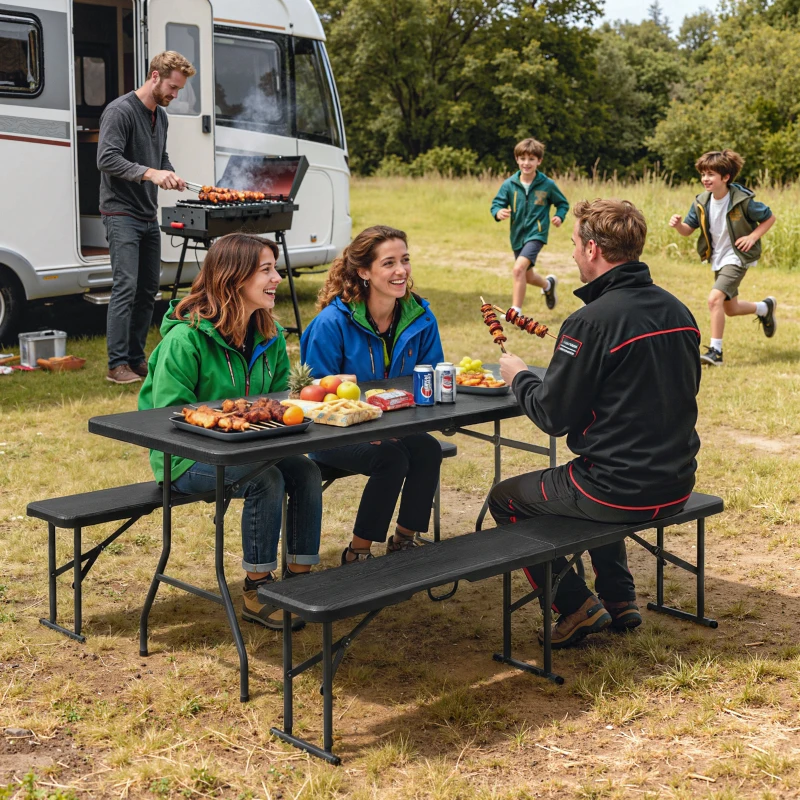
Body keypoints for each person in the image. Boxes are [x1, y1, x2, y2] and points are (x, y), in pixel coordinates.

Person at [491, 199, 702, 649]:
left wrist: (519, 377)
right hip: (677, 479)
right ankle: (620, 599)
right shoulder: (678, 309)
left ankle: (575, 606)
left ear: (591, 249)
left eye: (572, 245)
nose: (570, 255)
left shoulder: (589, 321)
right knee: (591, 472)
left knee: (506, 499)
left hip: (619, 489)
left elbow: (551, 414)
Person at [138, 233, 322, 631]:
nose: (277, 278)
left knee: (306, 471)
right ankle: (257, 589)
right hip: (186, 458)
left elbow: (273, 402)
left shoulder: (269, 334)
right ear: (232, 278)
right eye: (266, 270)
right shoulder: (184, 340)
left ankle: (301, 583)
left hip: (250, 448)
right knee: (267, 479)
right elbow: (166, 420)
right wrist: (231, 434)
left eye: (276, 268)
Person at [300, 225, 444, 563]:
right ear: (364, 271)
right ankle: (358, 552)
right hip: (333, 434)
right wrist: (364, 424)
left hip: (393, 427)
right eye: (389, 263)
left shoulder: (420, 316)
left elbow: (430, 376)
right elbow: (312, 394)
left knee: (428, 448)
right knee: (391, 458)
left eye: (405, 261)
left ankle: (404, 539)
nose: (401, 271)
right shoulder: (331, 323)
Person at [98, 51, 195, 385]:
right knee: (126, 285)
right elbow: (107, 158)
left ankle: (136, 359)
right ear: (155, 76)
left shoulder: (161, 117)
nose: (175, 95)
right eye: (172, 87)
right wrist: (150, 174)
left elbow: (161, 156)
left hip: (146, 212)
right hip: (120, 211)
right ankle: (116, 365)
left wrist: (168, 173)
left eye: (179, 89)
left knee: (148, 289)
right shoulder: (120, 111)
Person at [669, 149, 777, 366]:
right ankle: (765, 308)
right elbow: (688, 229)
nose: (705, 179)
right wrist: (678, 225)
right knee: (730, 308)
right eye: (703, 174)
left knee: (714, 299)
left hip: (737, 257)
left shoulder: (742, 200)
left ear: (725, 177)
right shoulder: (701, 201)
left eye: (711, 174)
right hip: (718, 258)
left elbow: (769, 217)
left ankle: (716, 352)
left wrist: (753, 236)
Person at [490, 137, 569, 315]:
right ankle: (548, 285)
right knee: (527, 276)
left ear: (539, 161)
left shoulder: (547, 185)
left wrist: (559, 215)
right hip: (517, 236)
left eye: (531, 159)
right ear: (517, 159)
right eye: (523, 159)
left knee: (518, 269)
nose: (527, 163)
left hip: (537, 234)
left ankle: (515, 311)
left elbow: (562, 204)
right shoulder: (509, 184)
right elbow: (496, 204)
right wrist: (498, 212)